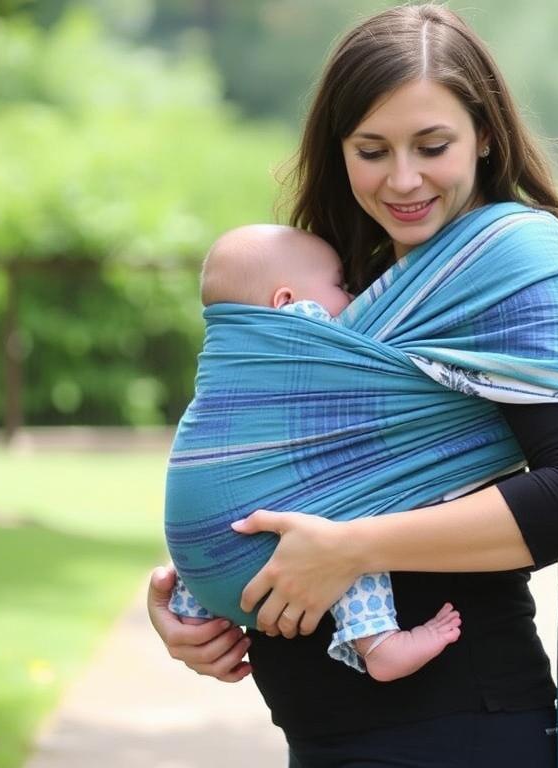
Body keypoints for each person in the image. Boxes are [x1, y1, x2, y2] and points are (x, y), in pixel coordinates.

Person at [147, 5, 558, 767]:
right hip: (322, 732)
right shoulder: (338, 278)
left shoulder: (517, 272)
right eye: (372, 149)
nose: (403, 178)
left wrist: (350, 549)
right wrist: (203, 592)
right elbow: (272, 461)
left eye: (432, 146)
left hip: (456, 726)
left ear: (484, 135)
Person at [169, 223, 464, 682]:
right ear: (286, 301)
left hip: (200, 560)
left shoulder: (229, 354)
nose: (351, 298)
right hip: (276, 553)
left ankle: (189, 612)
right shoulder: (304, 323)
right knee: (349, 516)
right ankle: (377, 641)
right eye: (340, 286)